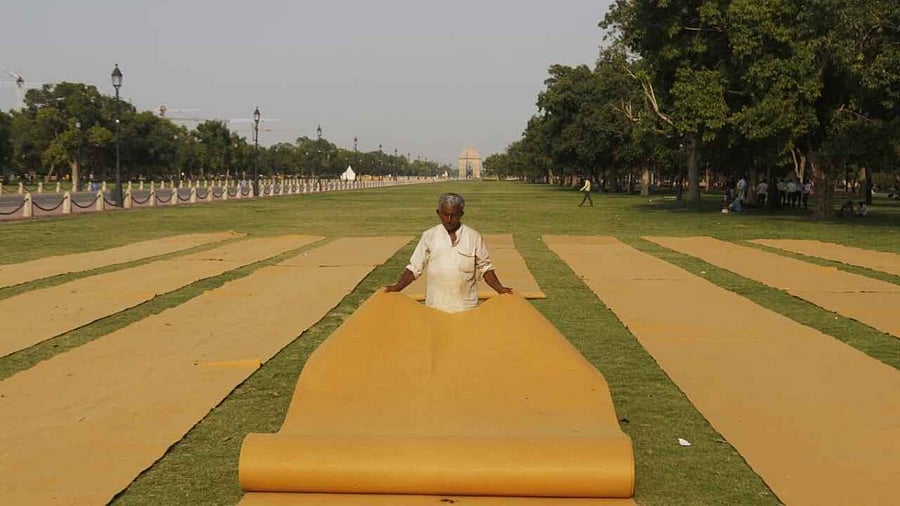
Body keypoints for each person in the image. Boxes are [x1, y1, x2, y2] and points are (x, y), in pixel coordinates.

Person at [385, 193, 512, 313]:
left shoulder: (474, 237)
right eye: (445, 215)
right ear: (438, 213)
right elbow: (414, 268)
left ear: (461, 214)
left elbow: (486, 268)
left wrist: (500, 289)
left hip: (466, 308)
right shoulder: (429, 236)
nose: (449, 220)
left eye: (454, 215)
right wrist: (397, 287)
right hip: (435, 307)